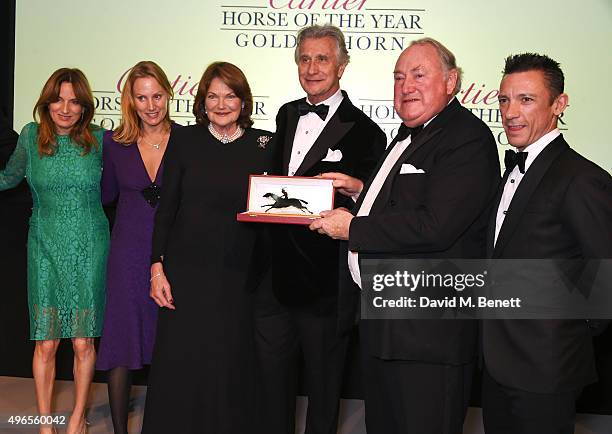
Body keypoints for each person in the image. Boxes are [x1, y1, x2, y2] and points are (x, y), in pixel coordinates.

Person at [310, 38, 500, 434]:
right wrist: (360, 190)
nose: (405, 86)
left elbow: (437, 225)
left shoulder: (467, 137)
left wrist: (352, 227)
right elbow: (405, 201)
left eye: (418, 75)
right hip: (386, 327)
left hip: (428, 338)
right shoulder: (407, 132)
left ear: (451, 82)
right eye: (398, 77)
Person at [255, 24, 386, 434]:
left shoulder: (368, 133)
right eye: (304, 58)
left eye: (322, 58)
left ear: (342, 65)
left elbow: (373, 204)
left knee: (324, 391)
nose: (312, 68)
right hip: (275, 279)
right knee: (273, 386)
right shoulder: (286, 113)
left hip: (326, 285)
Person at [140, 61, 275, 434]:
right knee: (184, 360)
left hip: (240, 275)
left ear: (243, 101)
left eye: (230, 95)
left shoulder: (265, 144)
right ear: (202, 102)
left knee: (231, 361)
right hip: (186, 274)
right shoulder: (185, 140)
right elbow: (166, 209)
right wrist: (156, 267)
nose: (221, 103)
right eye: (212, 96)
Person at [481, 53, 612, 434]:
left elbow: (604, 277)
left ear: (559, 104)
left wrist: (558, 335)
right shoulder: (511, 170)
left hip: (546, 369)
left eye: (526, 99)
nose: (510, 112)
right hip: (496, 363)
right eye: (505, 100)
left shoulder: (582, 178)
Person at [0, 68, 107, 434]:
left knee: (82, 340)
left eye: (75, 101)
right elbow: (8, 178)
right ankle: (46, 423)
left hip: (90, 245)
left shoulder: (99, 140)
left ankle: (78, 417)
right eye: (59, 99)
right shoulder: (31, 138)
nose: (66, 108)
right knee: (45, 341)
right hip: (43, 244)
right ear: (46, 103)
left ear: (84, 107)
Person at [95, 61, 175, 434]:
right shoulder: (114, 144)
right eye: (141, 97)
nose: (150, 105)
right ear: (130, 100)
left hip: (174, 253)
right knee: (122, 342)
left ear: (169, 94)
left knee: (169, 342)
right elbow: (107, 194)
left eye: (156, 95)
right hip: (127, 253)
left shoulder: (187, 141)